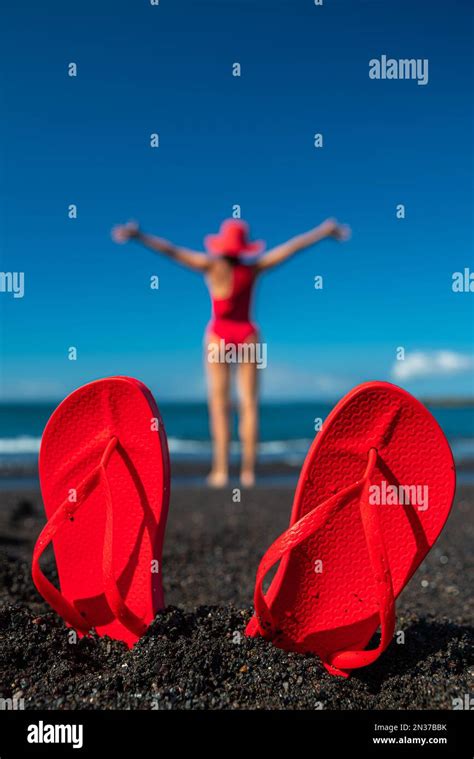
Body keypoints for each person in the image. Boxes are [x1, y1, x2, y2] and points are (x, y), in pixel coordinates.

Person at [112, 217, 350, 487]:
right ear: (245, 247)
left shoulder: (210, 266)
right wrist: (323, 231)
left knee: (219, 406)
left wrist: (138, 235)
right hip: (248, 334)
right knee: (249, 405)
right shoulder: (255, 268)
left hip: (218, 336)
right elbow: (293, 247)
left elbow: (171, 251)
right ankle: (249, 473)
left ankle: (221, 471)